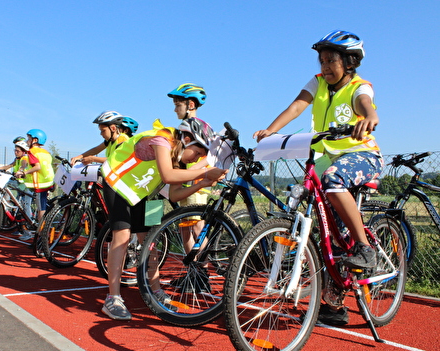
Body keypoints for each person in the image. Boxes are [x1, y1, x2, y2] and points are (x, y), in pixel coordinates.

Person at [253, 30, 383, 325]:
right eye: (322, 60)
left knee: (334, 180)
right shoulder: (319, 82)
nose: (324, 66)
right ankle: (334, 304)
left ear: (349, 62)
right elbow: (297, 105)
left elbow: (366, 104)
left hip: (361, 155)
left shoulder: (360, 86)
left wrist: (369, 117)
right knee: (327, 228)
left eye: (330, 60)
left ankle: (365, 248)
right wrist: (271, 130)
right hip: (325, 157)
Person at [99, 119, 227, 320]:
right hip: (118, 184)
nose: (197, 159)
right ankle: (113, 297)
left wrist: (202, 181)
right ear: (187, 140)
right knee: (122, 238)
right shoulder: (162, 139)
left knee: (151, 241)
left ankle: (156, 290)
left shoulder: (178, 157)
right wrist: (204, 171)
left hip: (144, 194)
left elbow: (175, 195)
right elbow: (167, 176)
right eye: (198, 153)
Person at [167, 83, 212, 254]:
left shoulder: (198, 126)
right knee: (185, 230)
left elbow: (210, 155)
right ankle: (192, 270)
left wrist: (193, 172)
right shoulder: (182, 128)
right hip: (184, 181)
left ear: (190, 105)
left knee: (197, 227)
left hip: (196, 184)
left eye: (178, 105)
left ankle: (203, 271)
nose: (175, 110)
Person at [14, 129, 55, 240]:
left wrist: (23, 172)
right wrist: (22, 167)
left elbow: (37, 166)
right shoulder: (45, 152)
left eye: (28, 138)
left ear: (35, 140)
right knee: (40, 207)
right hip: (48, 181)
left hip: (40, 184)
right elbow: (25, 161)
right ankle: (40, 231)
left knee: (41, 210)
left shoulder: (32, 151)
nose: (27, 141)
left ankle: (42, 236)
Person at [70, 111, 139, 166]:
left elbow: (116, 160)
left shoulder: (122, 140)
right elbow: (96, 149)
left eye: (103, 131)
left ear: (113, 128)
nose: (101, 134)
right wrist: (79, 156)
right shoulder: (110, 140)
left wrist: (93, 159)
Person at [0, 139, 34, 238]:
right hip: (20, 185)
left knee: (26, 206)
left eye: (17, 151)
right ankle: (21, 228)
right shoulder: (17, 159)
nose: (15, 152)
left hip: (27, 185)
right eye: (15, 150)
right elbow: (9, 166)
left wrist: (20, 171)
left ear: (23, 151)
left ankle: (29, 231)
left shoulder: (24, 158)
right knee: (19, 205)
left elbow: (23, 165)